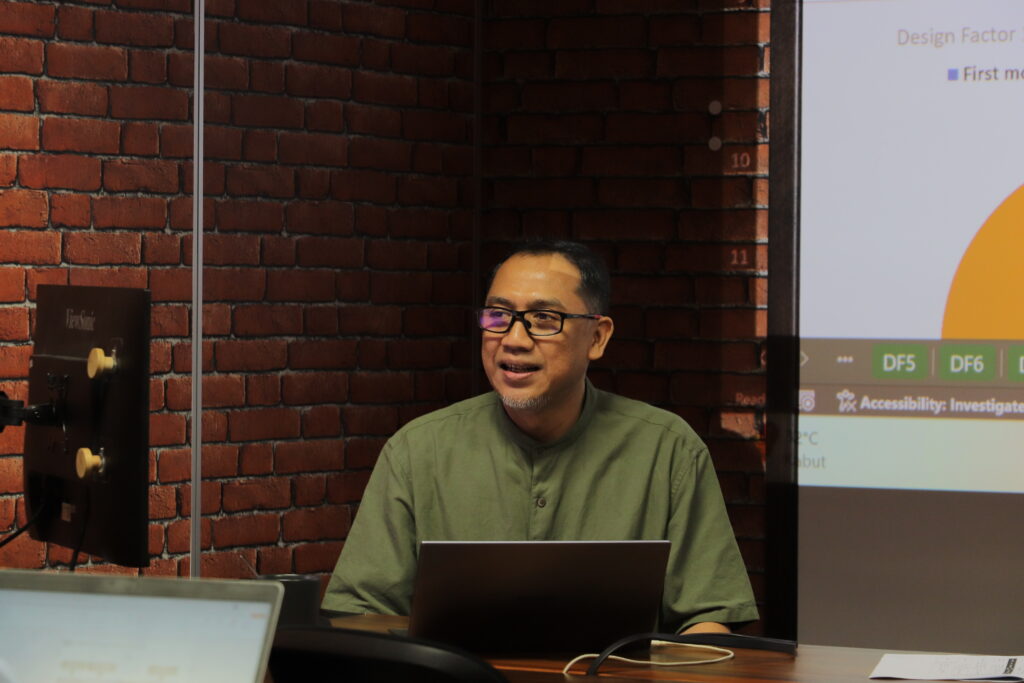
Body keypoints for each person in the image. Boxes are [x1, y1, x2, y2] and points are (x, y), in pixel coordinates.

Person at [322, 240, 758, 633]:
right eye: (498, 316)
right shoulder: (418, 450)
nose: (513, 339)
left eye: (544, 319)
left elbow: (709, 621)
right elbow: (360, 616)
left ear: (598, 337)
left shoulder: (667, 450)